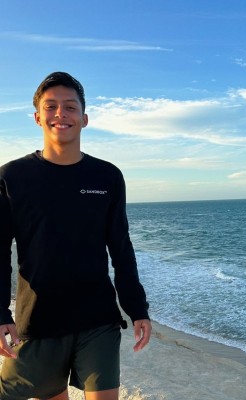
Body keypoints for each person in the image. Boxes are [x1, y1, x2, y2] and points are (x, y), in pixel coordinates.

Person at [0, 72, 152, 400]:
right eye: (51, 106)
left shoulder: (107, 176)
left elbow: (121, 248)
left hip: (98, 317)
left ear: (84, 118)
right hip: (39, 319)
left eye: (70, 107)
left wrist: (137, 308)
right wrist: (0, 313)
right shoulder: (12, 177)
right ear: (37, 117)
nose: (61, 114)